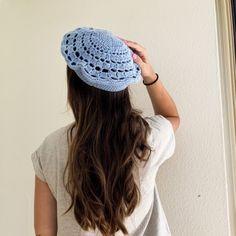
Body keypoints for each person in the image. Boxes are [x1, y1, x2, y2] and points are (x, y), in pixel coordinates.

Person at [31, 27, 180, 236]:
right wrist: (149, 75)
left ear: (74, 88)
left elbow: (44, 232)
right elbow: (172, 117)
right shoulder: (146, 138)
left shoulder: (50, 148)